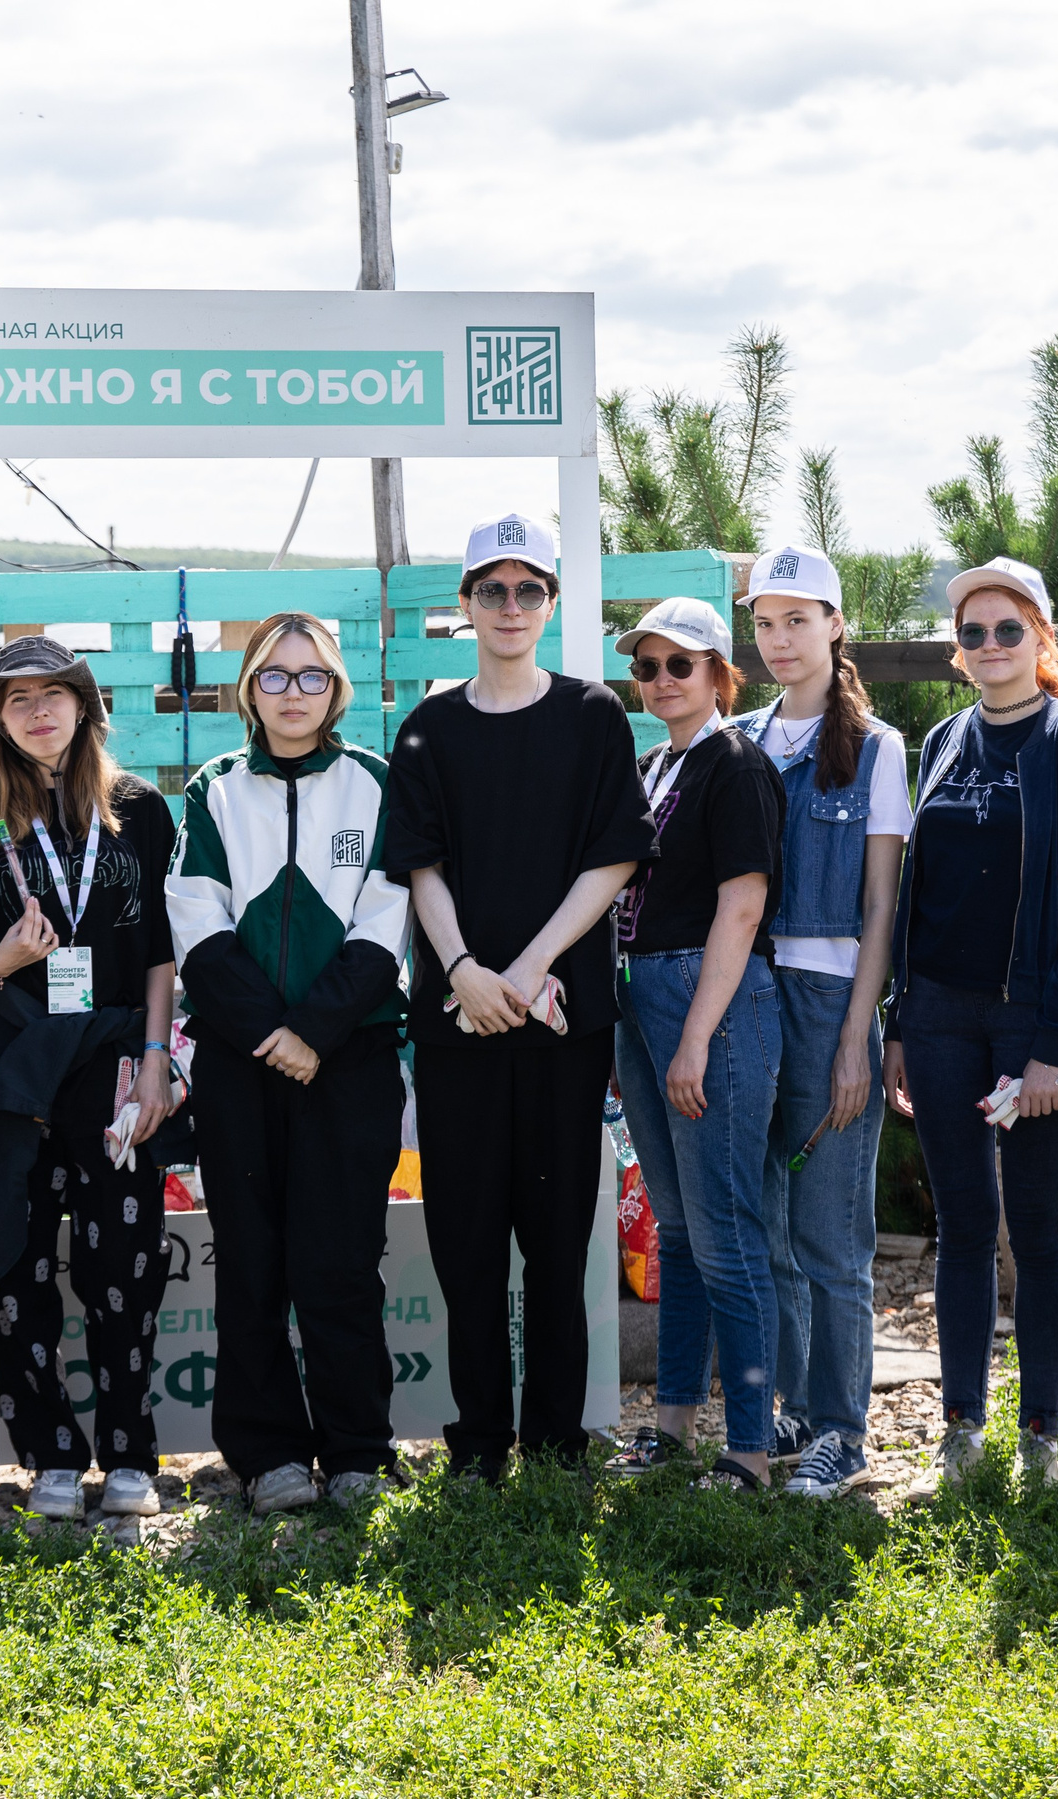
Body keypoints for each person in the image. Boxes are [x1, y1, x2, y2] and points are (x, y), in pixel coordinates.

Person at [383, 513, 657, 1480]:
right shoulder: (429, 727)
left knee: (553, 1240)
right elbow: (419, 866)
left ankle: (554, 1440)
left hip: (559, 1021)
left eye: (528, 589)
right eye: (491, 590)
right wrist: (461, 968)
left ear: (551, 602)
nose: (510, 606)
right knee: (465, 1244)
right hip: (459, 1026)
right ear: (465, 605)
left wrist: (534, 964)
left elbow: (615, 855)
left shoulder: (593, 717)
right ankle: (477, 1443)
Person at [883, 556, 1058, 1493]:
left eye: (1008, 630)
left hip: (1033, 1017)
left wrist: (1055, 1047)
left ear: (1042, 638)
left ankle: (1041, 1437)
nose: (989, 646)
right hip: (939, 1015)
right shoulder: (944, 738)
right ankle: (961, 1427)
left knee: (1037, 1220)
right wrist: (901, 1020)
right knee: (963, 1222)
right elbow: (916, 891)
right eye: (972, 633)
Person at [169, 614, 415, 1513]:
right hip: (242, 1063)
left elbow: (386, 920)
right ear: (248, 689)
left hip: (348, 1061)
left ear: (337, 689)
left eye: (312, 677)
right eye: (275, 677)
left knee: (343, 1261)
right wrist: (273, 1034)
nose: (294, 693)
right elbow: (197, 923)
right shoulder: (213, 790)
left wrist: (316, 1029)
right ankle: (267, 1453)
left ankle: (357, 1449)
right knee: (252, 1262)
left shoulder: (377, 785)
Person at [0, 638, 180, 1522]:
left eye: (54, 694)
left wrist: (156, 1064)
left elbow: (159, 953)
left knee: (125, 1258)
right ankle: (46, 1455)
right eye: (17, 699)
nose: (38, 711)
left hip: (113, 1061)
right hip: (9, 1064)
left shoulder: (140, 811)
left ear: (84, 705)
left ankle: (128, 1453)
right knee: (18, 1261)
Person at [732, 546, 910, 1499]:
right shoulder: (741, 738)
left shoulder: (876, 748)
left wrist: (857, 1034)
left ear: (837, 625)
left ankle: (845, 1427)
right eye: (765, 622)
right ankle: (796, 1407)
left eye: (798, 619)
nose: (779, 639)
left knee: (831, 1232)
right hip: (746, 998)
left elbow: (881, 906)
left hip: (828, 997)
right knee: (763, 1224)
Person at [599, 598, 786, 1493]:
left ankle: (749, 1446)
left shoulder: (736, 764)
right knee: (677, 1228)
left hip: (707, 998)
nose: (663, 679)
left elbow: (741, 906)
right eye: (648, 666)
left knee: (727, 1232)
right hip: (642, 994)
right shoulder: (650, 765)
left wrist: (696, 1038)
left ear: (720, 672)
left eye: (683, 664)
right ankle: (671, 1421)